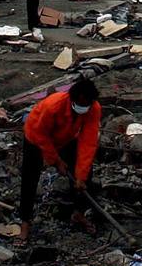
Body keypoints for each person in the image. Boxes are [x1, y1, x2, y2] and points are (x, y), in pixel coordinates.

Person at [18, 76, 102, 240]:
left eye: (87, 105)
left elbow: (88, 142)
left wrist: (81, 176)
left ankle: (78, 213)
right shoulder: (53, 105)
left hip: (66, 138)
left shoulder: (94, 108)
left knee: (84, 175)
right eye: (81, 104)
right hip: (35, 137)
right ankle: (25, 221)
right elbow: (42, 136)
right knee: (30, 178)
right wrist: (56, 161)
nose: (84, 108)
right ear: (72, 99)